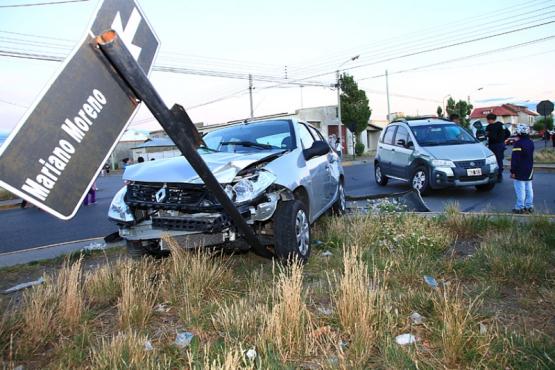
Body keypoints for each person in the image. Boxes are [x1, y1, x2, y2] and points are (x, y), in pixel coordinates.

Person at [510, 124, 534, 214]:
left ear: (519, 132)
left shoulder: (518, 144)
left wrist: (513, 171)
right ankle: (529, 206)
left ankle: (519, 207)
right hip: (529, 168)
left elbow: (515, 159)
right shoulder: (531, 142)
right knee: (529, 188)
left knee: (520, 189)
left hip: (520, 169)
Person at [485, 113, 505, 182]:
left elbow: (491, 136)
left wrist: (488, 135)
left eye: (487, 120)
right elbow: (508, 133)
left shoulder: (489, 127)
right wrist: (502, 139)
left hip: (493, 145)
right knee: (500, 159)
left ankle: (496, 175)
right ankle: (500, 174)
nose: (487, 121)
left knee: (493, 160)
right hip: (501, 144)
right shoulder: (501, 125)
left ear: (489, 119)